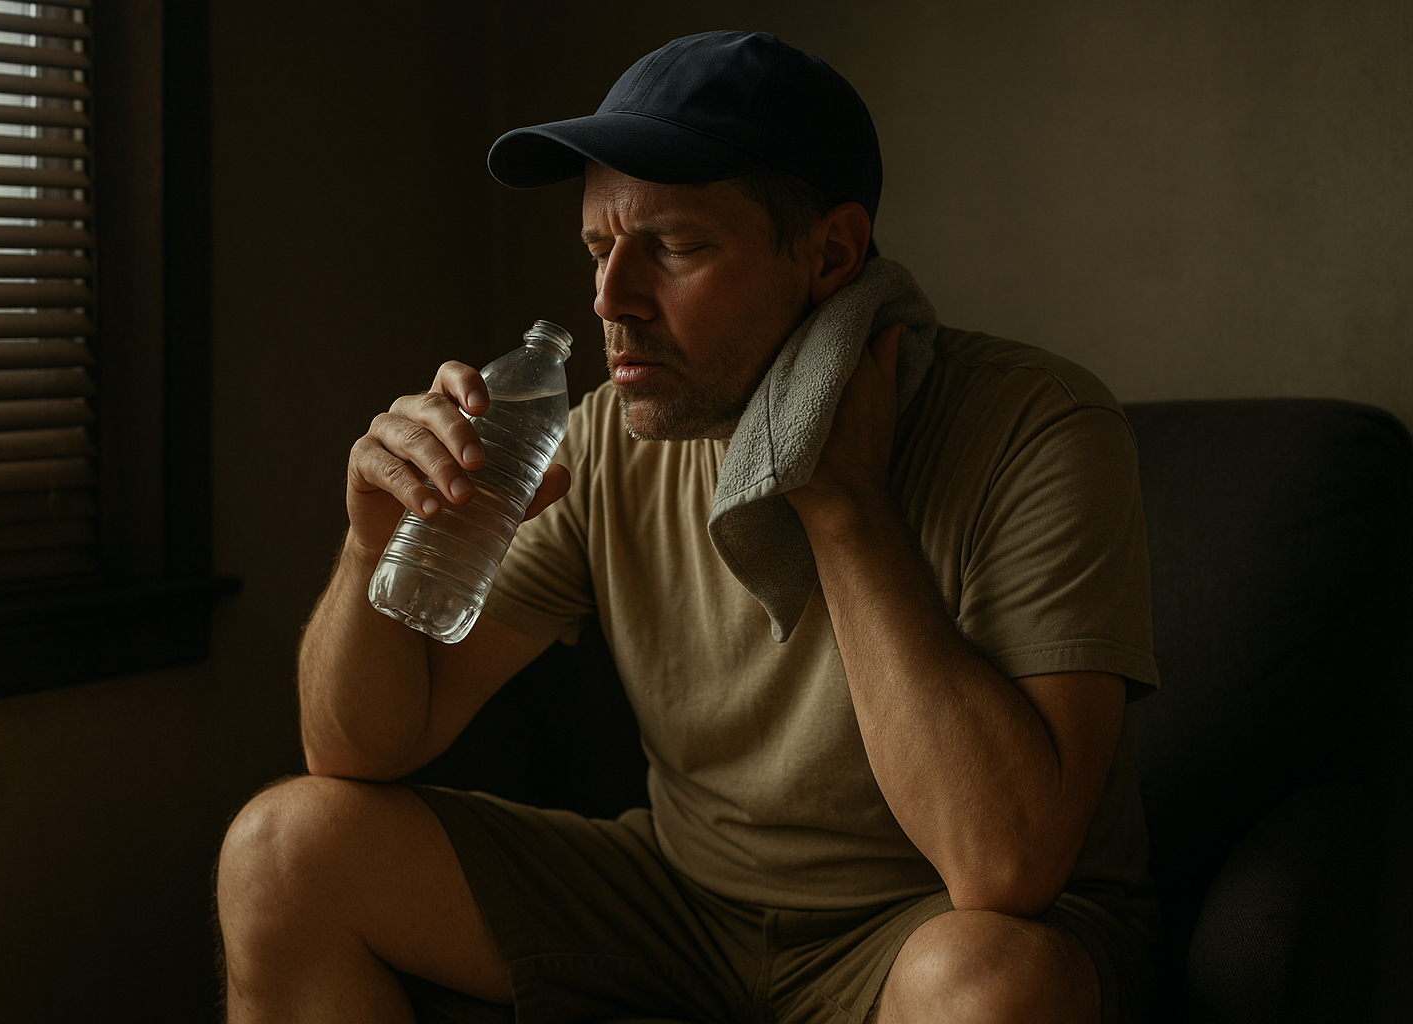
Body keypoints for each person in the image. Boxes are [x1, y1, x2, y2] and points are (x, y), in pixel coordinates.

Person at [216, 29, 1161, 1024]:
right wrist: (377, 540)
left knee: (985, 987)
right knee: (285, 847)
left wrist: (842, 502)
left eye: (672, 248)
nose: (608, 300)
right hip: (683, 902)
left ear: (831, 252)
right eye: (597, 249)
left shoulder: (1038, 426)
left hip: (921, 926)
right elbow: (359, 746)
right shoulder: (603, 443)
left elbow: (1003, 863)